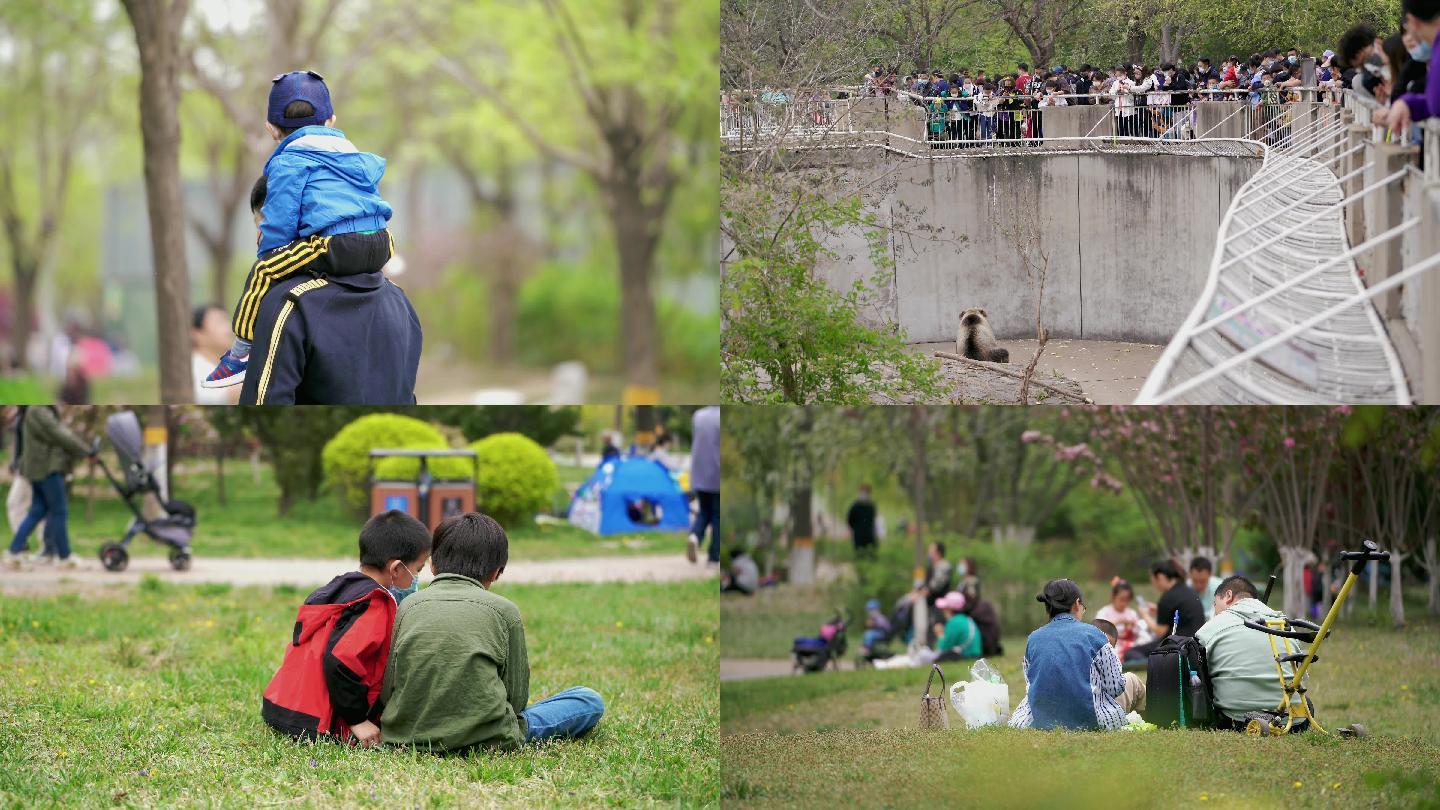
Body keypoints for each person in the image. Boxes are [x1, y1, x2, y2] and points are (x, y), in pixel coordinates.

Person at [205, 70, 396, 389]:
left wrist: (271, 253)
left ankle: (241, 354)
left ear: (271, 129)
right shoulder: (354, 155)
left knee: (264, 271)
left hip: (337, 245)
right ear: (331, 120)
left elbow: (278, 225)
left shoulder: (288, 162)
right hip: (383, 242)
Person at [380, 512, 605, 750]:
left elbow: (389, 689)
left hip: (405, 737)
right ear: (497, 572)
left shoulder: (408, 606)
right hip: (489, 737)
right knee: (588, 700)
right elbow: (516, 698)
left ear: (433, 565)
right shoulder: (505, 611)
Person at [260, 510, 431, 745]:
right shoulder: (374, 604)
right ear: (396, 569)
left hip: (281, 707)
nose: (416, 578)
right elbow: (340, 662)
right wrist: (357, 720)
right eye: (418, 570)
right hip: (312, 722)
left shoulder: (344, 587)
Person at [1009, 579, 1130, 730]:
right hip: (1094, 721)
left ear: (1048, 608)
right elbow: (1115, 688)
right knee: (1131, 682)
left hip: (1040, 721)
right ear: (1076, 604)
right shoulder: (1095, 635)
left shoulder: (1033, 639)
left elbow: (1032, 684)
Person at [1195, 575, 1303, 731]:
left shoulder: (1214, 625)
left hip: (1236, 719)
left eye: (1215, 604)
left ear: (1228, 596)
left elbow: (1195, 662)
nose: (1215, 611)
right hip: (1293, 721)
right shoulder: (1284, 623)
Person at [5, 406, 95, 569]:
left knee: (38, 510)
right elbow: (59, 434)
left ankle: (14, 552)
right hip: (46, 468)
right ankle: (64, 556)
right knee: (59, 511)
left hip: (39, 467)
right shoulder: (38, 410)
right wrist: (86, 451)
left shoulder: (35, 410)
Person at [1126, 559, 1206, 662]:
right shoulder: (1188, 590)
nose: (1153, 584)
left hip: (1177, 646)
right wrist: (1158, 609)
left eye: (1153, 580)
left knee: (1130, 653)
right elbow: (1181, 613)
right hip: (1194, 645)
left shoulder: (1168, 597)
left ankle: (1155, 663)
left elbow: (1159, 631)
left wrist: (1145, 615)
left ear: (1159, 577)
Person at [687, 405, 720, 565]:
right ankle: (714, 556)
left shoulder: (698, 416)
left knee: (704, 511)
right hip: (716, 473)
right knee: (717, 517)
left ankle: (695, 536)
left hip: (699, 473)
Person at [1093, 619, 1146, 713]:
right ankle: (1147, 713)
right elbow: (1114, 688)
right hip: (1105, 711)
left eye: (1109, 646)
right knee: (1132, 678)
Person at [191, 305, 242, 405]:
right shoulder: (190, 367)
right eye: (220, 322)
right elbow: (208, 396)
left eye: (228, 320)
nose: (229, 328)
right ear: (197, 334)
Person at [1094, 580, 1144, 659]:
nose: (1124, 603)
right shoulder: (1103, 613)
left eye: (1127, 600)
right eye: (1121, 599)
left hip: (1131, 645)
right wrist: (1118, 622)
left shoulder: (1132, 613)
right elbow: (1098, 633)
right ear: (1113, 597)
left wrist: (1133, 627)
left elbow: (1137, 634)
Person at [932, 591, 982, 661]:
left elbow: (944, 648)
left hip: (964, 656)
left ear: (949, 609)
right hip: (975, 655)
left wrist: (940, 635)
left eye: (945, 608)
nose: (943, 610)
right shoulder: (967, 619)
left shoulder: (953, 622)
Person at [846, 484, 878, 558]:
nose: (864, 494)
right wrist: (854, 528)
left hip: (869, 534)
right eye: (863, 492)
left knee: (870, 552)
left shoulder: (871, 506)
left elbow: (873, 519)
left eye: (866, 492)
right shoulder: (855, 506)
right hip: (858, 534)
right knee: (859, 554)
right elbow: (850, 519)